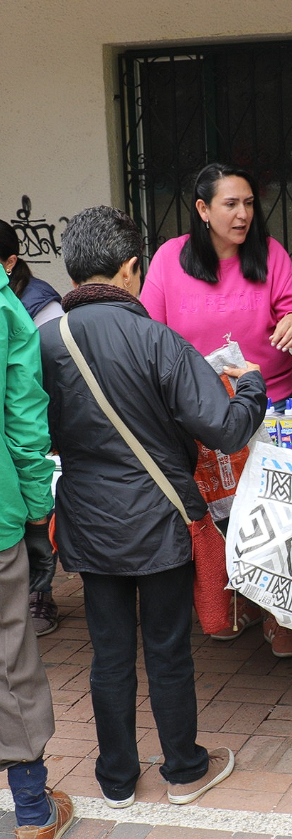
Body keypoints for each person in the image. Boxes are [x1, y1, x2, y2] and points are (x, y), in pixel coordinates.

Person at [38, 206, 267, 809]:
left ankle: (115, 779)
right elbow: (226, 429)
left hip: (88, 522)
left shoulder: (43, 343)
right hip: (160, 521)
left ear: (74, 271)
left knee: (109, 653)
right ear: (131, 269)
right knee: (167, 650)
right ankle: (184, 771)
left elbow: (36, 432)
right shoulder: (157, 340)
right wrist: (250, 384)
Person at [141, 161, 292, 658]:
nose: (243, 215)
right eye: (230, 204)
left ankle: (280, 614)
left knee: (275, 511)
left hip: (270, 405)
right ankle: (230, 604)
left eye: (248, 204)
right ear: (202, 209)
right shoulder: (170, 259)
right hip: (198, 410)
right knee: (215, 515)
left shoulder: (270, 254)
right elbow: (149, 331)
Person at [0, 262, 72, 839]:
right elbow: (24, 417)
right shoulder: (3, 304)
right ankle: (32, 811)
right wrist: (37, 507)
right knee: (10, 655)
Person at [0, 220, 64, 637]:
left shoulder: (38, 305)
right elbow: (24, 418)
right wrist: (39, 517)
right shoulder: (10, 309)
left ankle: (40, 593)